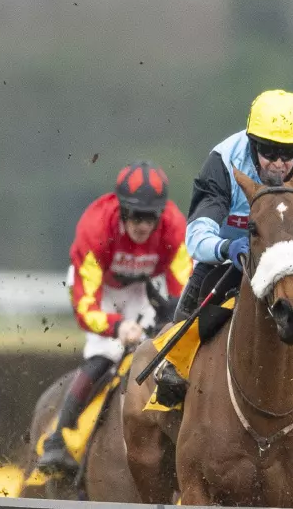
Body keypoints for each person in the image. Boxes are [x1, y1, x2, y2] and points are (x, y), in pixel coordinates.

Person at [153, 89, 293, 402]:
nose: (278, 163)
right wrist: (226, 248)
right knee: (203, 271)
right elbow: (197, 235)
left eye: (287, 153)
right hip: (234, 250)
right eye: (269, 151)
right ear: (252, 144)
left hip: (290, 254)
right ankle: (174, 365)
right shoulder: (222, 162)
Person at [37, 161, 189, 473]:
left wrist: (170, 323)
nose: (143, 225)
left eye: (150, 216)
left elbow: (182, 294)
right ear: (121, 209)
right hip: (99, 291)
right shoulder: (95, 228)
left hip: (143, 288)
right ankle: (57, 438)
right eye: (135, 215)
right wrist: (116, 326)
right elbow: (86, 308)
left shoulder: (175, 227)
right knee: (108, 352)